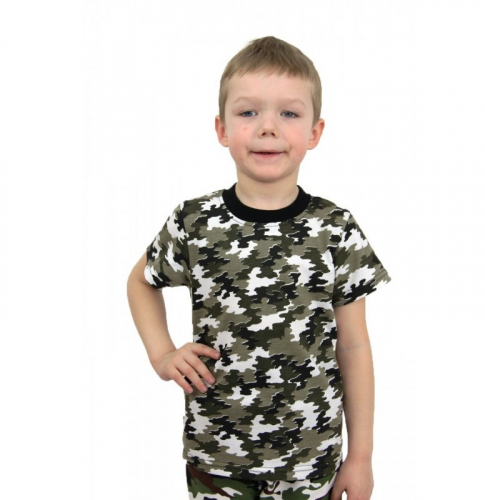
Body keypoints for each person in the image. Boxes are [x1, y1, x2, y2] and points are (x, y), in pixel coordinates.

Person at [127, 35, 392, 500]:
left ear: (314, 132)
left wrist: (362, 457)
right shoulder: (194, 221)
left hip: (311, 460)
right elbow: (141, 281)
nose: (268, 127)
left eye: (289, 113)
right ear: (222, 129)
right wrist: (162, 354)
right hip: (216, 456)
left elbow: (353, 345)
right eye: (248, 112)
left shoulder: (336, 228)